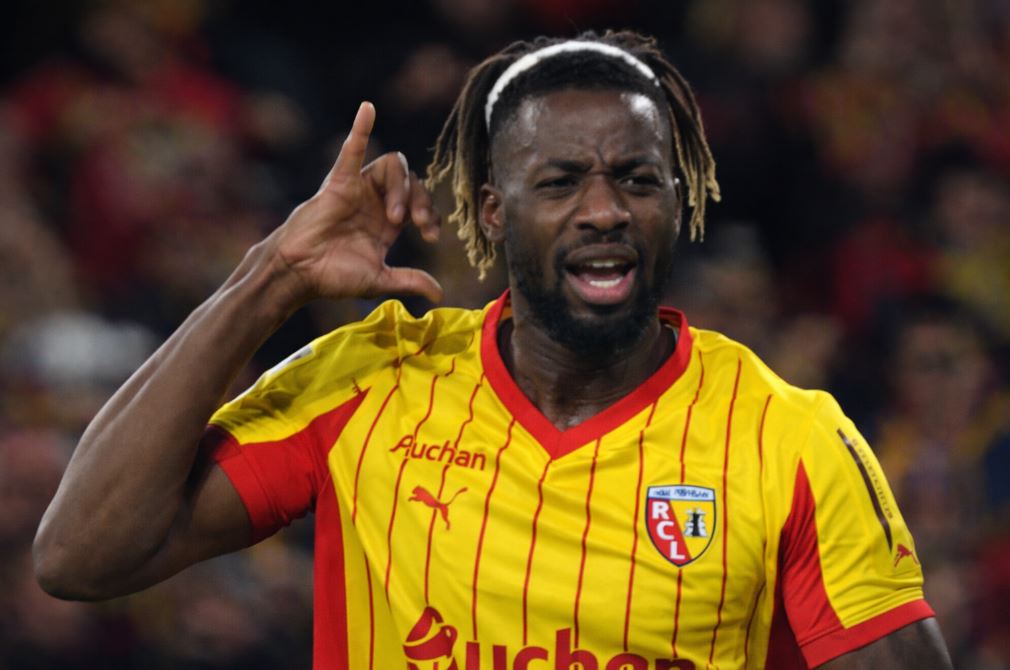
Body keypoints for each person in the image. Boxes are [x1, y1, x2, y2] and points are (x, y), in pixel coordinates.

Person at [34, 31, 952, 669]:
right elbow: (79, 555)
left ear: (679, 206)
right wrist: (271, 277)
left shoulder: (790, 440)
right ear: (491, 214)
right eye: (560, 182)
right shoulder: (372, 383)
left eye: (638, 179)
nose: (604, 210)